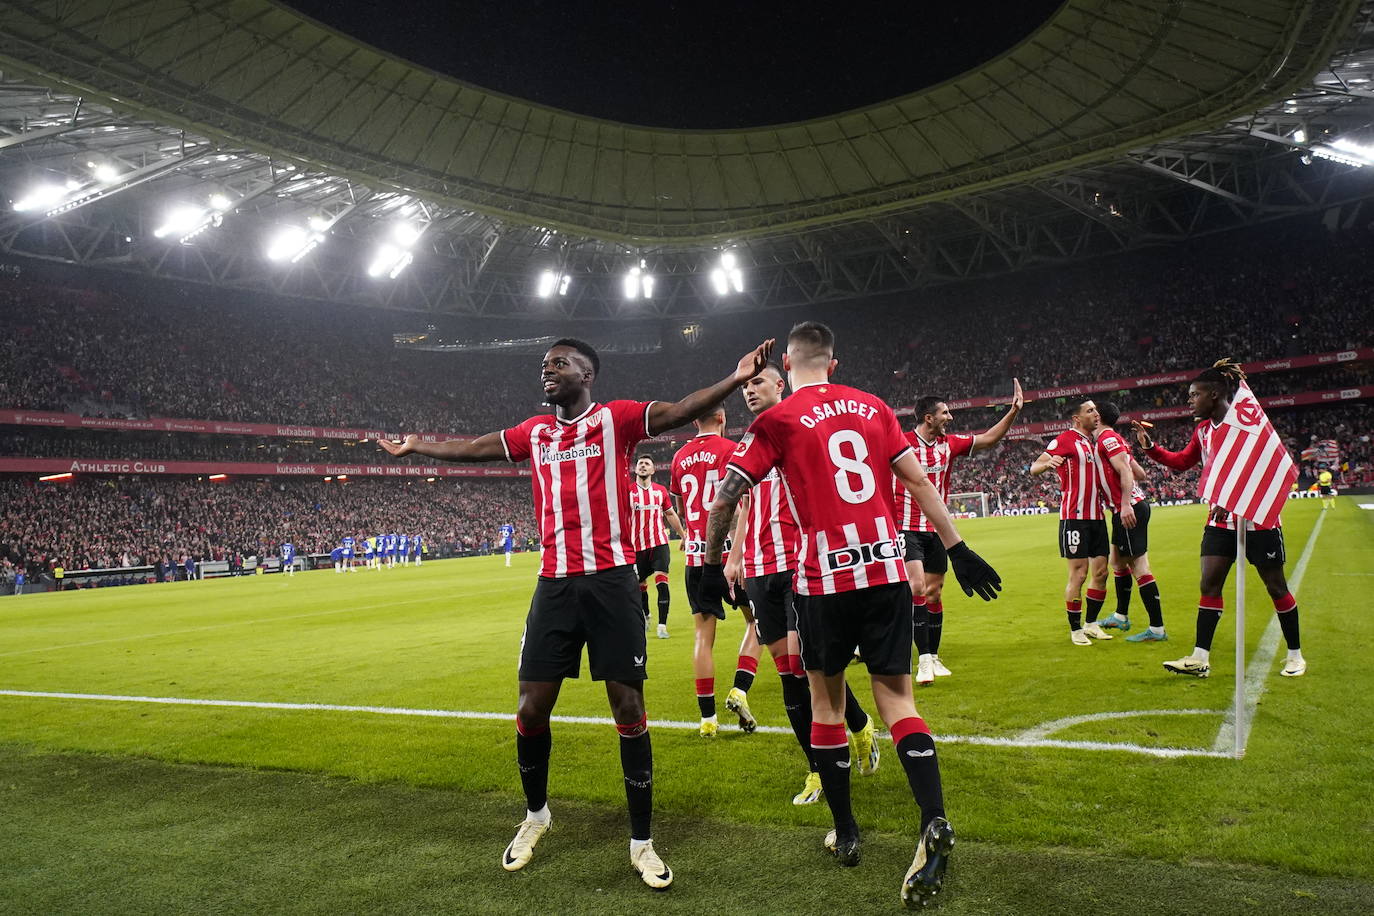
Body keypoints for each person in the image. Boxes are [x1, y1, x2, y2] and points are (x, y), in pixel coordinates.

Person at [375, 335, 774, 890]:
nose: (547, 370)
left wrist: (735, 377)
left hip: (612, 582)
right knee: (531, 706)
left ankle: (642, 843)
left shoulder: (618, 419)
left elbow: (682, 409)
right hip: (555, 585)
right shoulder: (534, 434)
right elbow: (475, 448)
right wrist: (419, 447)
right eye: (545, 364)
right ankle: (536, 814)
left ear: (587, 374)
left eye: (559, 363)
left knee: (627, 704)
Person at [699, 321, 1001, 908]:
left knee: (826, 702)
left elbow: (726, 498)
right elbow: (915, 481)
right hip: (888, 570)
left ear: (787, 364)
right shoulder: (875, 407)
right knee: (898, 701)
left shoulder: (776, 421)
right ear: (833, 363)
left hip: (824, 577)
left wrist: (712, 569)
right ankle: (933, 818)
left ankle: (848, 831)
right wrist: (958, 549)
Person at [723, 361, 882, 806]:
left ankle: (836, 751)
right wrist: (734, 558)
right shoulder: (751, 441)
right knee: (788, 672)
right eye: (745, 386)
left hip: (800, 564)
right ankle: (833, 751)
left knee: (804, 667)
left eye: (758, 382)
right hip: (758, 569)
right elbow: (744, 506)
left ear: (781, 384)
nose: (749, 390)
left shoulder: (806, 429)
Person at [1134, 360, 1306, 678]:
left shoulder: (1247, 424)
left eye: (1194, 394)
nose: (1189, 400)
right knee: (1209, 583)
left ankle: (1295, 654)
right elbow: (1183, 461)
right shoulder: (1202, 431)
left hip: (1257, 519)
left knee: (1275, 586)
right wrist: (1152, 449)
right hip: (1220, 521)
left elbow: (1267, 464)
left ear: (1214, 394)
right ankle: (1200, 657)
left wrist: (1242, 497)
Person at [898, 383, 1023, 685]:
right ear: (928, 418)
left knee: (934, 592)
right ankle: (923, 660)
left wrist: (1013, 411)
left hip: (937, 530)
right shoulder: (900, 443)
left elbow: (989, 439)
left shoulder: (949, 444)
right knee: (916, 587)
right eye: (944, 413)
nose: (950, 417)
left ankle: (934, 656)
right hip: (903, 527)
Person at [670, 406, 763, 737]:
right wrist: (736, 555)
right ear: (722, 417)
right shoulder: (732, 450)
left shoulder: (679, 457)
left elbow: (682, 507)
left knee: (702, 637)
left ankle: (707, 720)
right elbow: (743, 506)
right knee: (757, 623)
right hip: (730, 559)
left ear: (695, 420)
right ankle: (739, 689)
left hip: (696, 559)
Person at [1030, 399, 1134, 645]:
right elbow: (1034, 467)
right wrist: (1048, 463)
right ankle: (1075, 629)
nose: (1096, 414)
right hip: (1074, 518)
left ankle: (1091, 624)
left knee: (1101, 571)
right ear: (1077, 418)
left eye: (1096, 410)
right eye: (1090, 411)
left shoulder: (1095, 441)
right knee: (1078, 574)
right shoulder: (1065, 439)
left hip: (1097, 516)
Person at [1092, 402, 1166, 642]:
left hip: (1129, 509)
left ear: (1098, 418)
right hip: (1127, 508)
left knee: (1139, 567)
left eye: (1093, 411)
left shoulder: (1107, 439)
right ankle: (1121, 616)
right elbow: (1140, 474)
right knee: (1117, 562)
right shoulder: (1117, 440)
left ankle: (1157, 629)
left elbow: (1125, 471)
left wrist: (1124, 504)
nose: (1090, 414)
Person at [629, 455, 686, 638]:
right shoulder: (628, 492)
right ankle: (646, 616)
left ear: (653, 470)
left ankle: (662, 626)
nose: (643, 466)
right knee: (640, 585)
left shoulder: (660, 491)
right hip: (636, 547)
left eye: (647, 464)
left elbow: (670, 514)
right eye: (640, 464)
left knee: (662, 581)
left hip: (659, 543)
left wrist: (684, 536)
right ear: (635, 469)